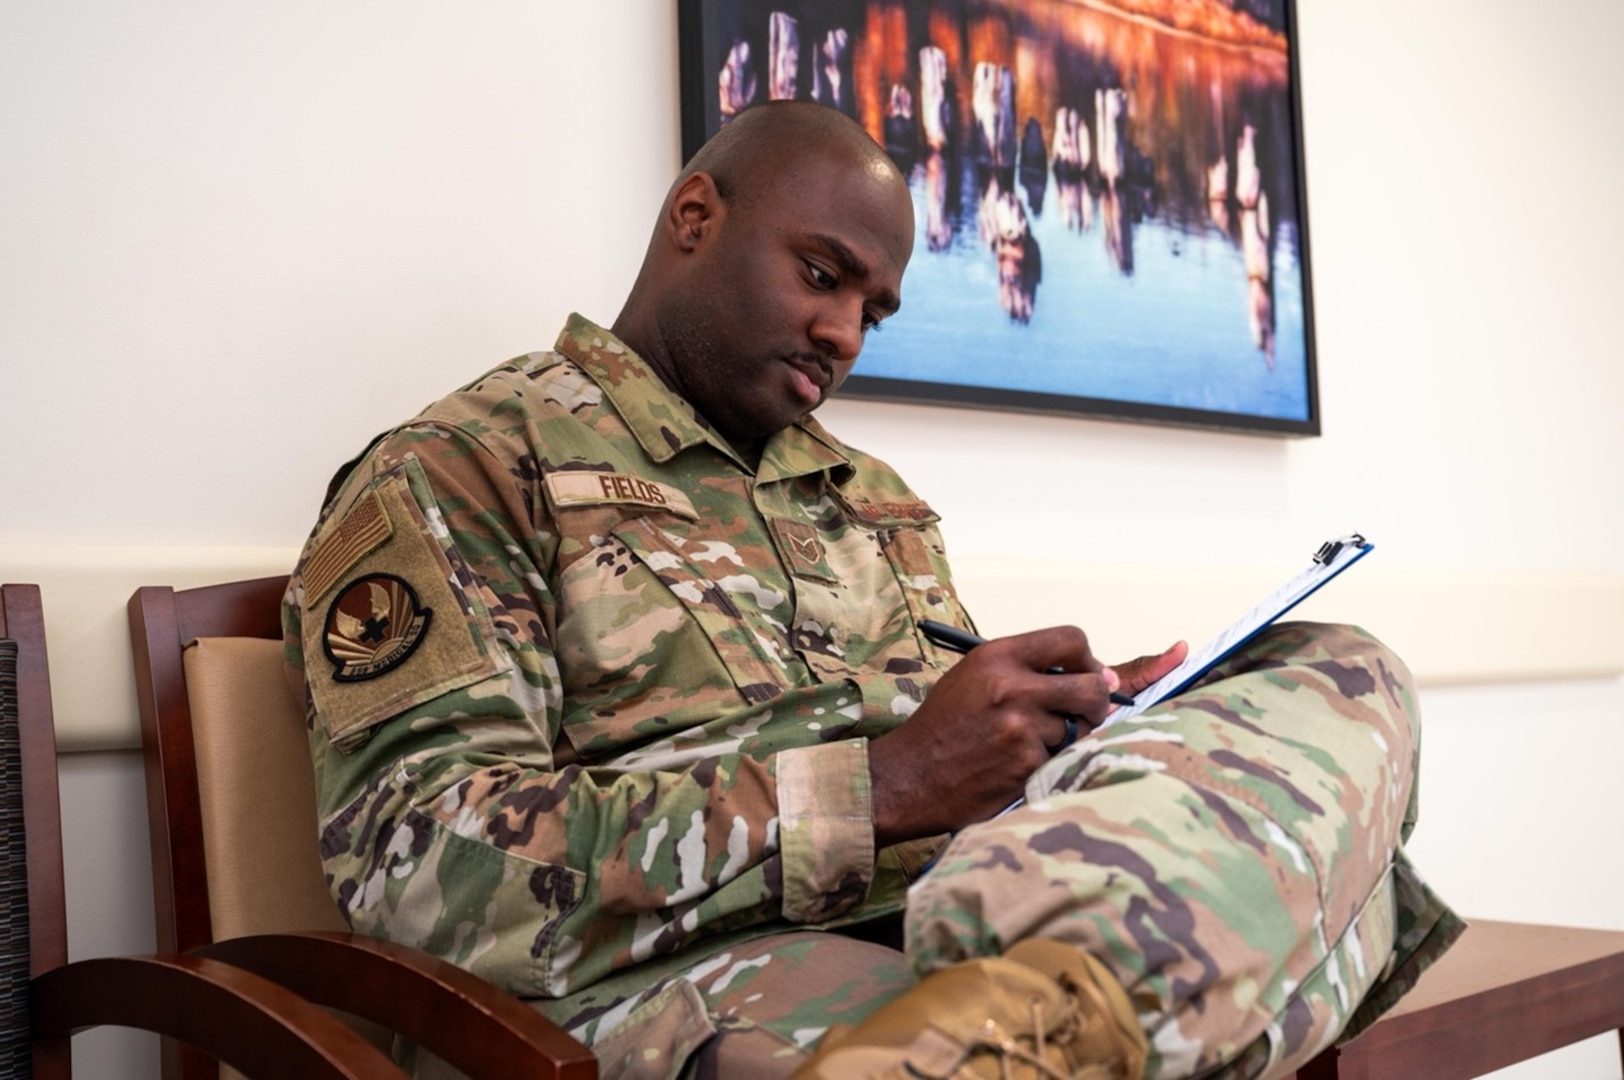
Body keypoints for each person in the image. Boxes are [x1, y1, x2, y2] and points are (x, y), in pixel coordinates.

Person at [282, 101, 1460, 1080]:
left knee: (1336, 667)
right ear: (694, 217)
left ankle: (1072, 1014)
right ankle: (1117, 1011)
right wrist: (880, 790)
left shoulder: (867, 496)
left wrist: (1072, 722)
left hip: (958, 917)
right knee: (1285, 931)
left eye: (873, 312)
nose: (844, 332)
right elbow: (422, 876)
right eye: (821, 274)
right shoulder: (465, 469)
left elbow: (951, 761)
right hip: (655, 988)